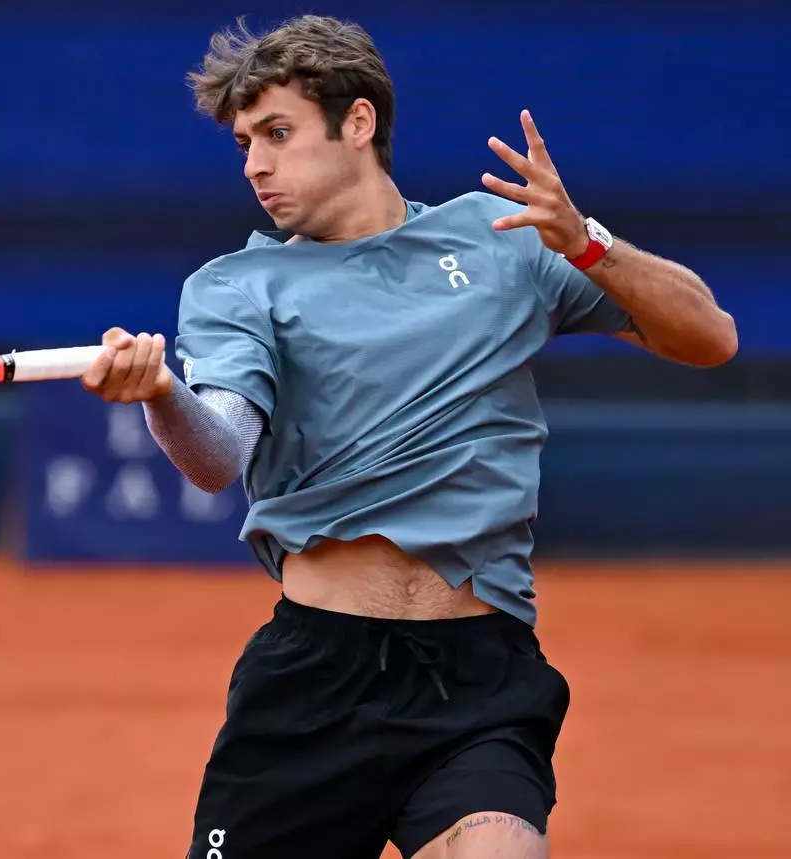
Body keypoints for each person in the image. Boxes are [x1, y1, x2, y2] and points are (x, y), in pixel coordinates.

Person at [80, 14, 737, 859]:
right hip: (313, 684)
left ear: (357, 122)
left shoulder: (502, 240)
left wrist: (586, 243)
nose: (254, 165)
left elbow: (710, 337)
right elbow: (219, 456)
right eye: (244, 143)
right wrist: (164, 395)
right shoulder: (239, 285)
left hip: (479, 677)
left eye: (277, 133)